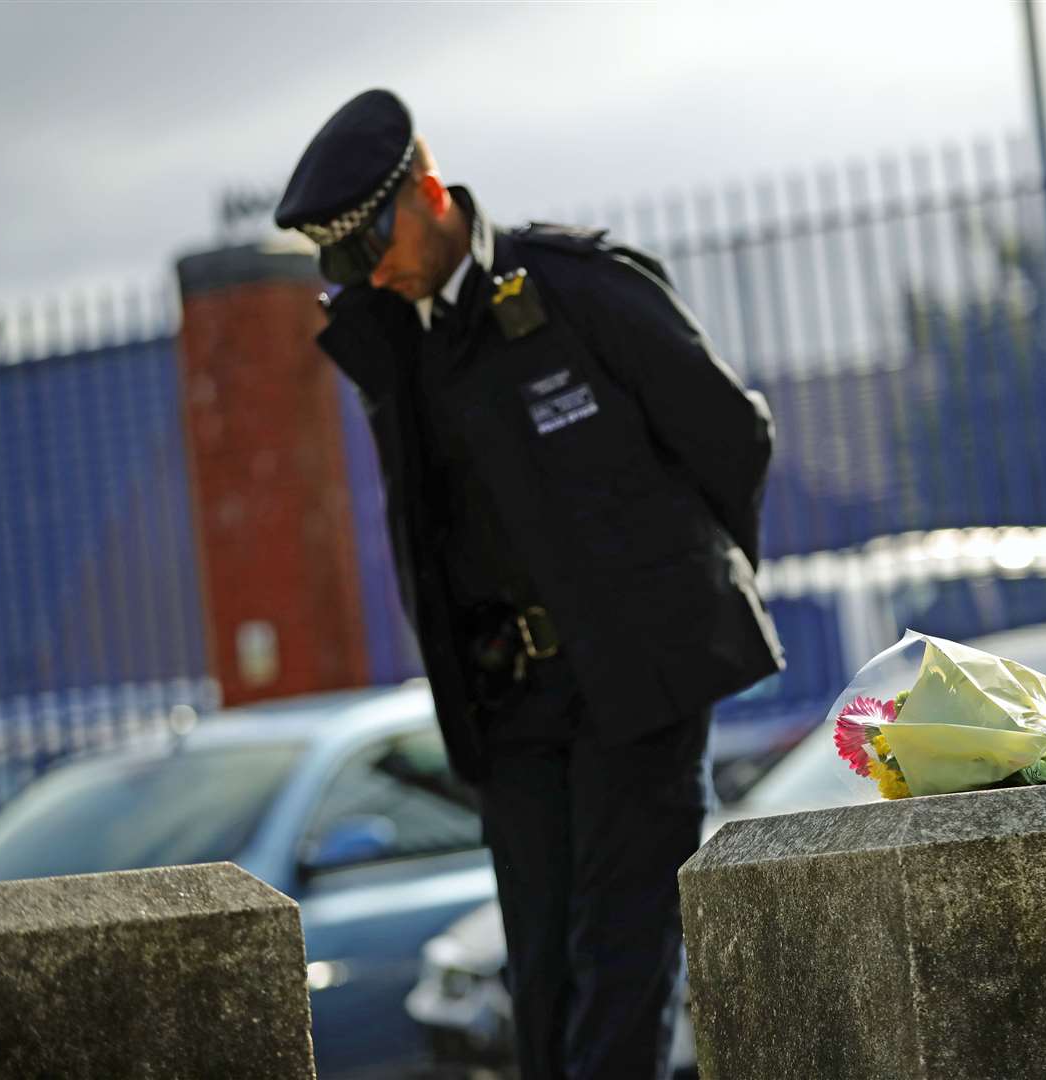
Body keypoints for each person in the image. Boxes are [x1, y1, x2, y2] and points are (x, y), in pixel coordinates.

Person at [274, 88, 784, 1080]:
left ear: (427, 190)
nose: (367, 271)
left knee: (621, 963)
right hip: (512, 705)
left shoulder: (574, 288)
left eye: (373, 240)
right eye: (344, 262)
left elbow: (732, 435)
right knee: (541, 978)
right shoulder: (398, 340)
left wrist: (681, 601)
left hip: (637, 684)